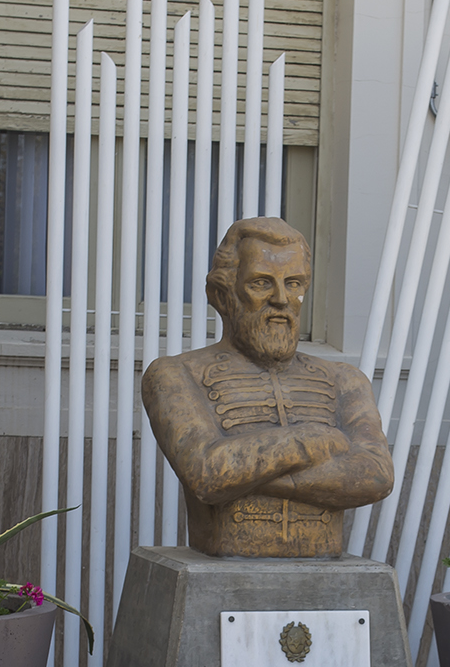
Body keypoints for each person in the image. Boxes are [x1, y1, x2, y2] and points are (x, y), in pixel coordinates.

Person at [141, 217, 394, 557]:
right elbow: (205, 473)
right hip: (223, 559)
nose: (281, 299)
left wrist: (242, 478)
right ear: (222, 295)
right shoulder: (174, 375)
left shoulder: (345, 379)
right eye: (261, 283)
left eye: (294, 283)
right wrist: (310, 440)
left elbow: (376, 476)